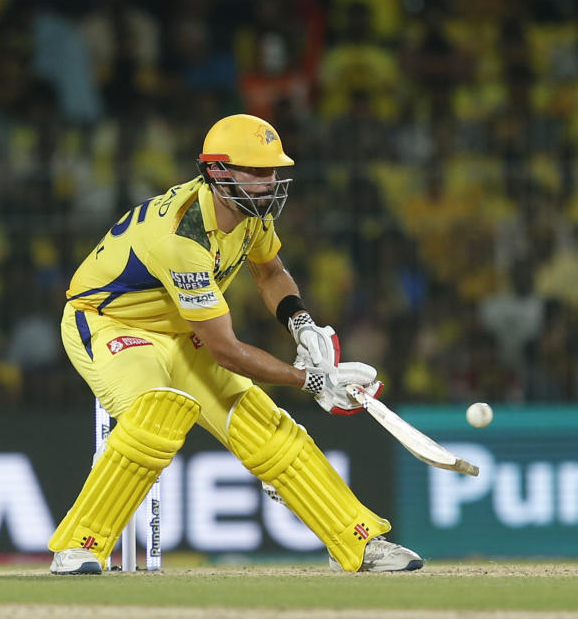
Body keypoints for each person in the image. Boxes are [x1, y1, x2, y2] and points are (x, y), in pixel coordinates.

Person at [48, 113, 422, 574]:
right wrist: (309, 379)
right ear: (218, 172)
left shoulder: (246, 212)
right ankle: (80, 545)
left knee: (265, 427)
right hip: (110, 324)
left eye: (272, 171)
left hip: (181, 330)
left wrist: (301, 324)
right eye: (257, 171)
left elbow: (271, 273)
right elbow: (225, 349)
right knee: (154, 414)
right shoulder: (181, 239)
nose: (270, 183)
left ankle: (358, 543)